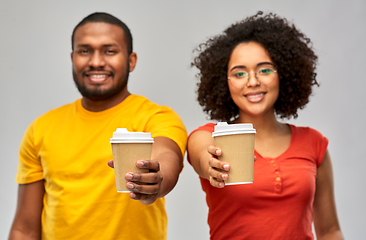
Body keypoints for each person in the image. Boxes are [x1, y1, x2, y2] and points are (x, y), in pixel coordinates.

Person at [9, 12, 187, 240]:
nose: (96, 62)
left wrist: (156, 181)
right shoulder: (41, 128)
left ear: (131, 61)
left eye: (109, 51)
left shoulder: (156, 117)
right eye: (85, 51)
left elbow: (167, 155)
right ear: (72, 58)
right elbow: (24, 229)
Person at [188, 11, 343, 240]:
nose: (253, 81)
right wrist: (210, 164)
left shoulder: (314, 143)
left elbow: (330, 231)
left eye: (265, 70)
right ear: (224, 82)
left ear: (285, 75)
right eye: (239, 73)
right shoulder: (211, 136)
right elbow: (202, 154)